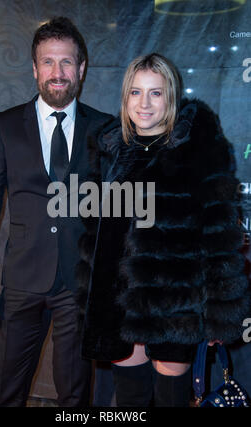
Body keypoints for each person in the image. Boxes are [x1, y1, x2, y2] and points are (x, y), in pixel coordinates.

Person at [77, 53, 251, 407]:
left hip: (175, 306)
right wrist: (89, 295)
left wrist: (219, 316)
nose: (144, 104)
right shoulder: (110, 149)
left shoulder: (199, 149)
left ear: (171, 96)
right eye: (136, 92)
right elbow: (95, 235)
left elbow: (220, 240)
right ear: (125, 97)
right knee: (129, 400)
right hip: (116, 302)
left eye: (155, 93)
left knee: (172, 399)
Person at [0, 16, 113, 407]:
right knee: (7, 390)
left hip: (78, 286)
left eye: (67, 62)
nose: (57, 72)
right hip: (22, 281)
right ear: (34, 69)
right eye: (48, 62)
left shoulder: (106, 129)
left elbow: (117, 212)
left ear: (82, 69)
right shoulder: (5, 126)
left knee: (76, 395)